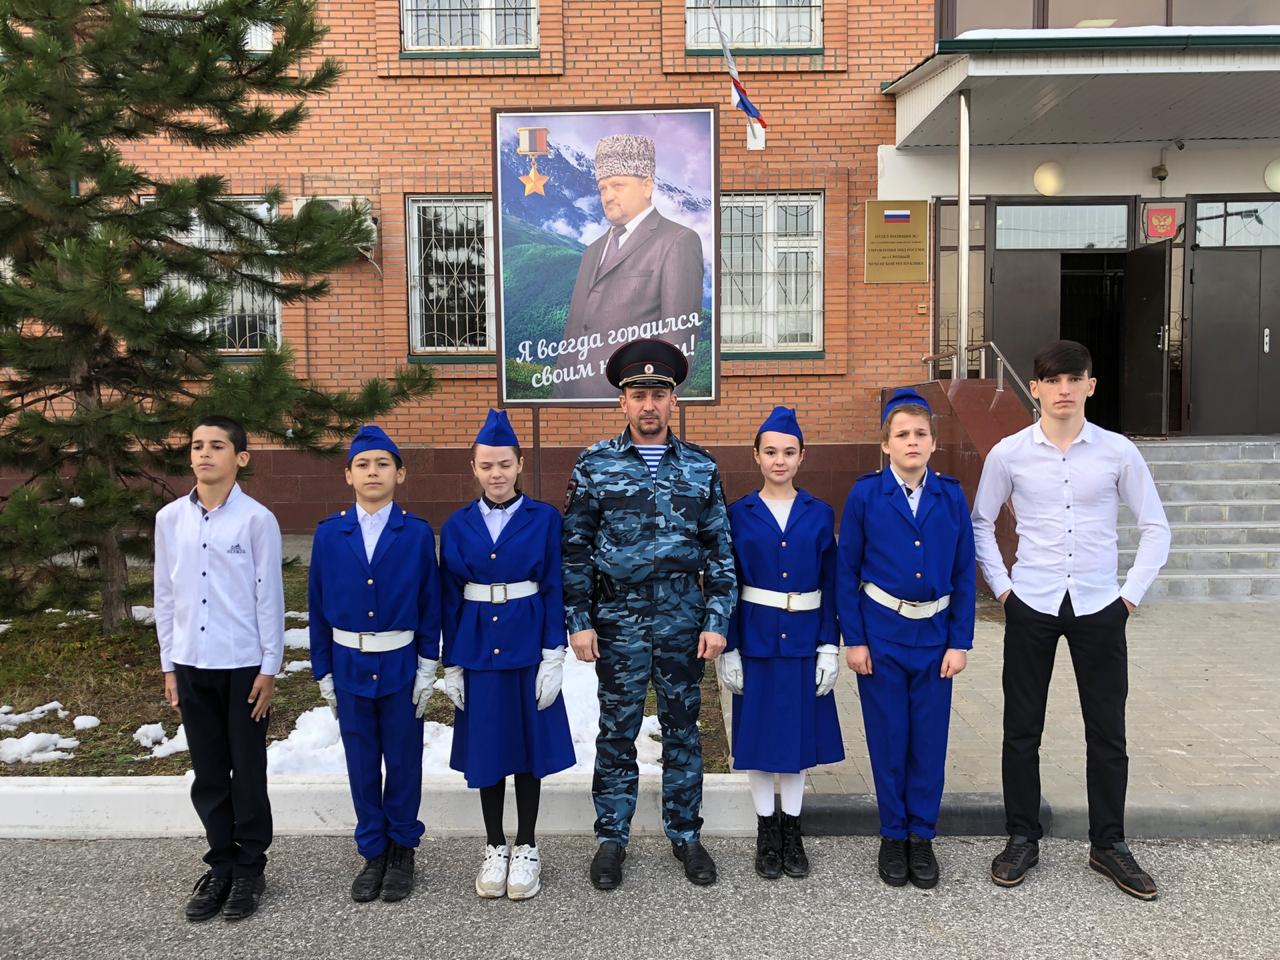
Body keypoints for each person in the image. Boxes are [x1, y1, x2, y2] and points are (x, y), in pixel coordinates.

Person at [972, 339, 1170, 901]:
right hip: (1031, 604)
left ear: (1090, 385)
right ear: (1034, 388)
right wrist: (1004, 590)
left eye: (1073, 379)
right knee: (1021, 730)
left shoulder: (1117, 452)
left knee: (1107, 731)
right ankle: (1021, 837)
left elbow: (1155, 527)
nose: (1064, 390)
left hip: (1099, 606)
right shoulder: (1008, 453)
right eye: (1053, 381)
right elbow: (980, 522)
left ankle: (1109, 844)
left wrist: (1128, 597)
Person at [562, 338, 737, 889]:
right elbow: (576, 548)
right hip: (618, 618)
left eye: (658, 394)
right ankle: (612, 839)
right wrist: (579, 619)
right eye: (638, 395)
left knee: (684, 729)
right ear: (622, 402)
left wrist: (716, 618)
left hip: (683, 617)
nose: (648, 405)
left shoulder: (701, 467)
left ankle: (686, 835)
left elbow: (720, 549)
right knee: (617, 730)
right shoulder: (595, 464)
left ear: (673, 400)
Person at [836, 389, 976, 889]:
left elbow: (963, 571)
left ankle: (923, 835)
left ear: (934, 442)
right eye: (902, 435)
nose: (912, 442)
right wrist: (855, 640)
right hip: (882, 636)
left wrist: (960, 642)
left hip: (935, 639)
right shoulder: (866, 496)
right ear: (886, 444)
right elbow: (846, 570)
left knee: (929, 743)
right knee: (889, 737)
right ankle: (893, 834)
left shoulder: (950, 496)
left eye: (920, 434)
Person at [438, 409, 575, 901]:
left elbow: (555, 586)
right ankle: (495, 844)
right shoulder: (457, 525)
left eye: (504, 464)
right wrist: (452, 662)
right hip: (478, 649)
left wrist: (554, 653)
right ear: (473, 469)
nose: (496, 474)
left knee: (527, 749)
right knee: (489, 749)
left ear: (519, 464)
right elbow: (449, 597)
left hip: (527, 645)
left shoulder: (545, 519)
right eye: (486, 465)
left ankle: (528, 845)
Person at [154, 415, 283, 922]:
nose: (204, 454)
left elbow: (268, 597)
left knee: (246, 769)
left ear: (240, 458)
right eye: (196, 445)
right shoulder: (170, 519)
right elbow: (165, 595)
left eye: (217, 446)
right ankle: (221, 863)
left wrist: (269, 668)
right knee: (208, 772)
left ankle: (250, 866)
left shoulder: (257, 520)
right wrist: (169, 665)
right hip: (191, 663)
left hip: (243, 665)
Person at [308, 425, 441, 904]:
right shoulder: (329, 534)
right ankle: (373, 851)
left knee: (403, 760)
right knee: (361, 762)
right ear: (348, 475)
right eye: (362, 464)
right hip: (348, 664)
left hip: (400, 662)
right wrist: (323, 671)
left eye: (383, 464)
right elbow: (317, 606)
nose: (372, 472)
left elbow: (429, 602)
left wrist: (428, 665)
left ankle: (402, 848)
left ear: (399, 474)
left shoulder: (416, 533)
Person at [717, 406, 843, 880]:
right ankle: (766, 832)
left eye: (789, 452)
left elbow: (832, 584)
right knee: (757, 739)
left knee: (795, 740)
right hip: (756, 641)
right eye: (770, 452)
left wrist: (830, 645)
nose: (779, 460)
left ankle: (792, 831)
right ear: (756, 455)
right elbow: (727, 584)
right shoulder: (738, 514)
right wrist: (729, 647)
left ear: (802, 456)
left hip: (804, 642)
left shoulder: (820, 513)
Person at [553, 134, 705, 400]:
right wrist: (560, 398)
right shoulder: (592, 252)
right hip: (577, 406)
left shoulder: (678, 241)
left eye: (618, 185)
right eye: (602, 188)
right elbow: (573, 336)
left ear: (647, 186)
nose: (608, 196)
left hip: (634, 408)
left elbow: (679, 343)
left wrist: (647, 406)